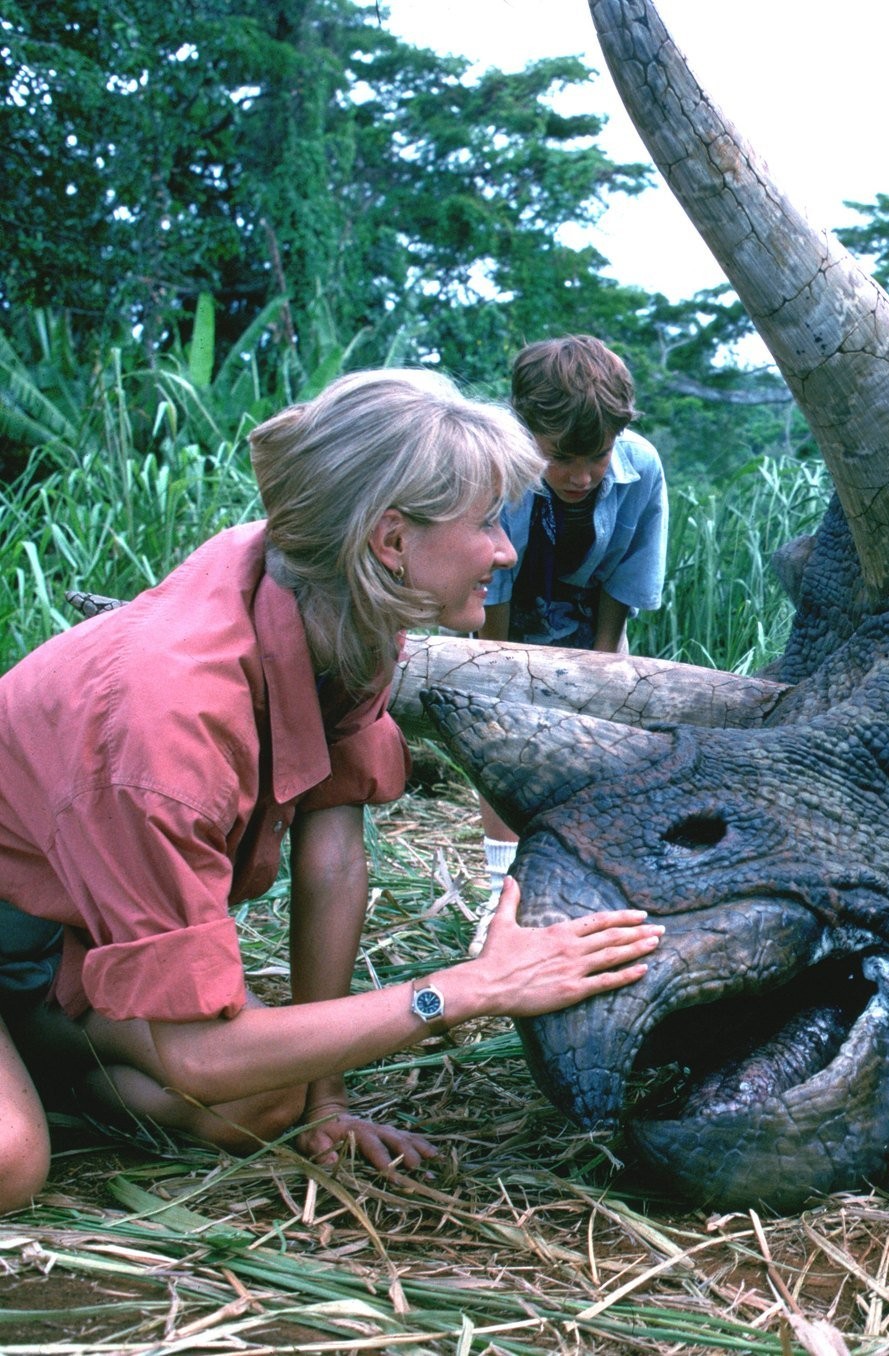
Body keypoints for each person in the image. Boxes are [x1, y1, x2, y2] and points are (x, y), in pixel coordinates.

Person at [0, 369, 664, 1214]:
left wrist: (327, 1101)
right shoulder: (168, 724)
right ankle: (38, 1068)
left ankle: (44, 1051)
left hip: (65, 939)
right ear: (391, 540)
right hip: (22, 926)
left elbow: (333, 855)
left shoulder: (337, 602)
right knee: (12, 1162)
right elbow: (201, 1055)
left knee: (269, 1099)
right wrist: (469, 988)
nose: (505, 551)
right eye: (485, 523)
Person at [475, 336, 668, 889]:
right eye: (560, 458)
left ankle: (582, 872)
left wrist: (603, 670)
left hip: (585, 614)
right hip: (499, 615)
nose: (582, 477)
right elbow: (489, 589)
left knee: (598, 737)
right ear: (526, 432)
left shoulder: (642, 465)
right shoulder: (494, 466)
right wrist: (501, 675)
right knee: (500, 737)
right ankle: (502, 884)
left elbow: (629, 576)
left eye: (597, 457)